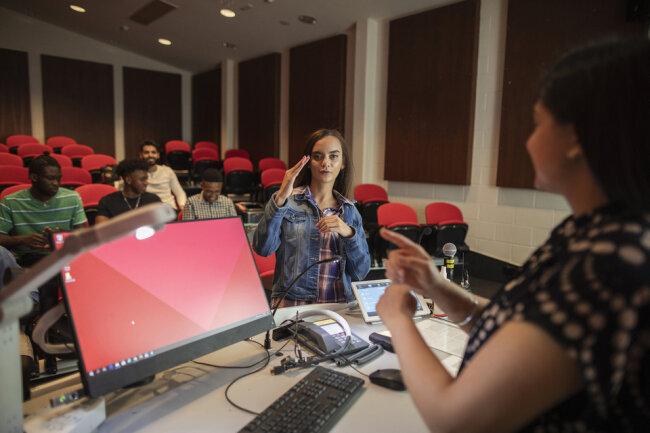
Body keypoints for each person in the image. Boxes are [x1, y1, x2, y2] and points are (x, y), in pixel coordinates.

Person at [375, 39, 650, 432]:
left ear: (576, 137)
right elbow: (516, 336)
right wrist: (438, 288)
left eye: (538, 123)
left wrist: (397, 320)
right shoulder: (592, 233)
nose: (527, 140)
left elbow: (457, 420)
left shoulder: (609, 265)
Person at [253, 129, 370, 307]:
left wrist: (348, 233)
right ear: (307, 162)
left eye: (333, 156)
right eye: (318, 156)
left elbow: (361, 272)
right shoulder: (287, 202)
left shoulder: (350, 211)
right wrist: (280, 198)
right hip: (293, 305)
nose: (326, 163)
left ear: (343, 162)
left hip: (338, 307)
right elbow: (263, 248)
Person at [0, 154, 87, 267]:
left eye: (58, 178)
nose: (56, 183)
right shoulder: (10, 201)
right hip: (26, 260)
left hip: (63, 256)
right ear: (34, 178)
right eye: (50, 178)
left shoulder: (73, 197)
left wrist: (64, 235)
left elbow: (83, 234)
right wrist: (21, 240)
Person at [95, 158, 161, 224]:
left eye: (146, 179)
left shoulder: (153, 200)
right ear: (128, 180)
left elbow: (165, 226)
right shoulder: (108, 201)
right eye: (142, 179)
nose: (146, 183)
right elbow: (101, 230)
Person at [139, 140, 187, 211]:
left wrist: (182, 206)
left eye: (153, 152)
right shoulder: (137, 173)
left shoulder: (167, 171)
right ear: (141, 155)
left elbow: (179, 192)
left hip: (169, 210)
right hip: (147, 212)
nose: (150, 155)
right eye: (146, 152)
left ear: (158, 155)